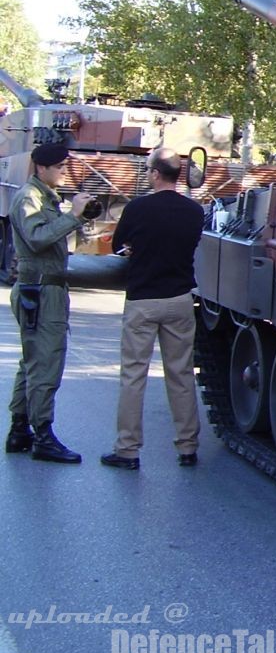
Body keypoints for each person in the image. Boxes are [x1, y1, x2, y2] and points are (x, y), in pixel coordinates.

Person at [100, 148, 205, 470]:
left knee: (134, 375)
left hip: (143, 300)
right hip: (179, 300)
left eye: (148, 170)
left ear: (156, 174)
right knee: (181, 374)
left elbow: (119, 246)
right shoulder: (194, 211)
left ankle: (128, 450)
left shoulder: (137, 208)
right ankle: (187, 447)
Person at [5, 143, 96, 464]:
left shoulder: (43, 197)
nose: (63, 171)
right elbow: (37, 238)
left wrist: (76, 218)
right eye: (58, 167)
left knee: (32, 359)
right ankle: (43, 434)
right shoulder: (30, 197)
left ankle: (19, 429)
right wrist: (72, 216)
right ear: (40, 168)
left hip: (41, 289)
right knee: (47, 361)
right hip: (41, 291)